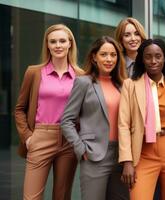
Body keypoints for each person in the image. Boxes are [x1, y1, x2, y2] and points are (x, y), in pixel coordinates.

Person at [14, 24, 83, 199]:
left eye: (62, 41)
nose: (58, 45)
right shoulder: (34, 72)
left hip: (69, 139)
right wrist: (28, 137)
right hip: (40, 136)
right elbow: (20, 109)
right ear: (47, 45)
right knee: (31, 196)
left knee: (62, 195)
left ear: (70, 44)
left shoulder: (81, 76)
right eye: (53, 41)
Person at [118, 38, 165, 200]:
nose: (153, 61)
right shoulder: (130, 85)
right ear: (141, 59)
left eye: (158, 56)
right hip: (143, 152)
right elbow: (123, 125)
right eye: (148, 56)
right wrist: (127, 161)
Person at [61, 36, 129, 200]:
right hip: (94, 155)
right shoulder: (83, 83)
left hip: (121, 156)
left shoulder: (123, 85)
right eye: (104, 54)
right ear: (94, 57)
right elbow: (66, 120)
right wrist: (81, 149)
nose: (109, 59)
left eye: (113, 55)